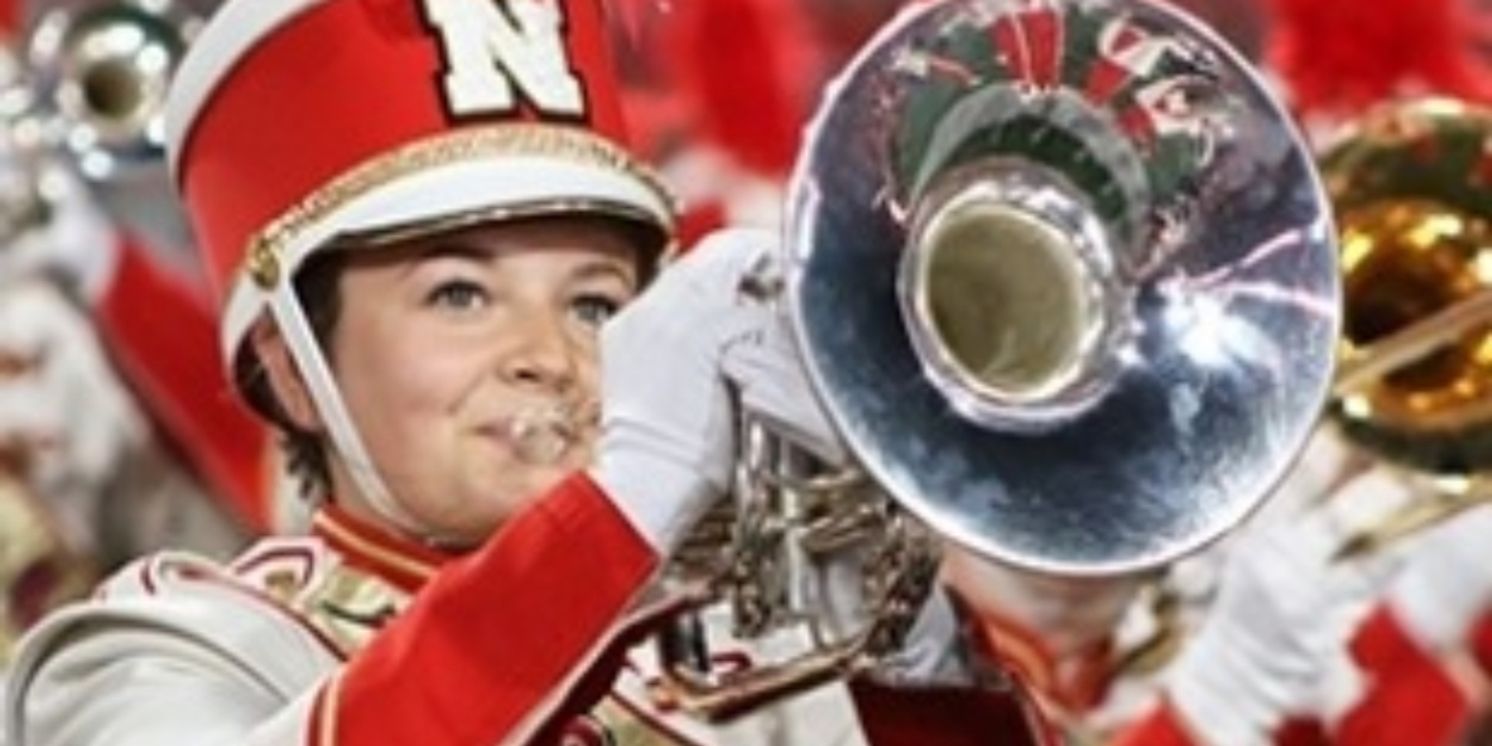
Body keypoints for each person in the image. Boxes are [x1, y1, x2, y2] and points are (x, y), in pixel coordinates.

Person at [2, 0, 1048, 743]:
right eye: (457, 294)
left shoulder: (750, 658)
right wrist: (618, 513)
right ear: (287, 365)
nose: (550, 357)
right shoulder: (149, 655)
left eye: (596, 302)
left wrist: (923, 675)